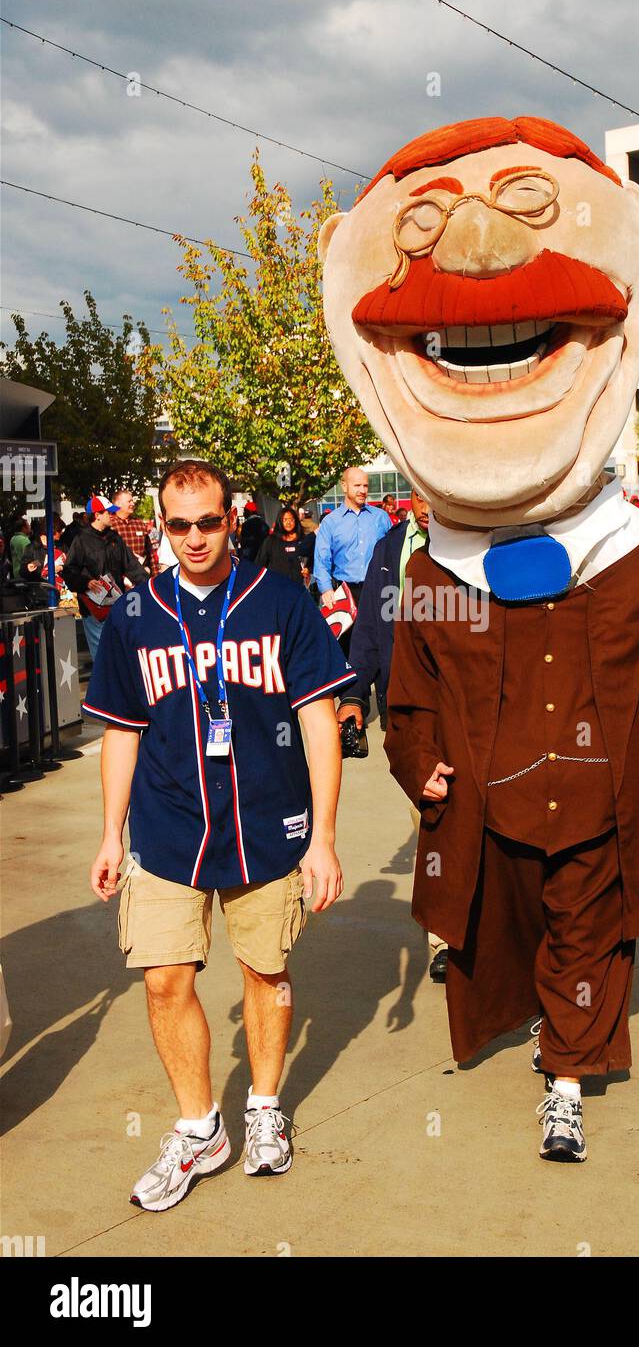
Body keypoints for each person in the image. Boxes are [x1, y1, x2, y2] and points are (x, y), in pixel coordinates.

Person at [320, 112, 639, 1163]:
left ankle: (568, 1075)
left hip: (598, 790)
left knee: (588, 929)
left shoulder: (638, 553)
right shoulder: (432, 568)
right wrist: (422, 765)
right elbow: (410, 691)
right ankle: (550, 1024)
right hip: (492, 796)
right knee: (508, 926)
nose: (477, 245)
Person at [83, 458, 355, 1213]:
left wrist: (324, 836)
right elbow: (119, 733)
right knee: (165, 977)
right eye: (179, 525)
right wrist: (110, 833)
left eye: (209, 522)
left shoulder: (282, 603)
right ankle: (200, 1128)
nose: (195, 538)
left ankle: (264, 1109)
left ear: (232, 519)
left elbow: (318, 721)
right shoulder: (136, 616)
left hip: (268, 823)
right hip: (168, 826)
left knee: (265, 973)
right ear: (161, 529)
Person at [336, 489, 449, 982]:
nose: (427, 505)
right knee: (431, 821)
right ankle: (446, 937)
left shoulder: (475, 544)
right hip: (406, 710)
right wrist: (355, 696)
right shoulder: (389, 548)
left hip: (464, 705)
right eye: (419, 495)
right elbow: (369, 628)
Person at [63, 496, 149, 658]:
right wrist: (86, 582)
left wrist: (149, 586)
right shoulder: (81, 539)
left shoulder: (115, 538)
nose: (112, 515)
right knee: (102, 655)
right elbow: (69, 571)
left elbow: (132, 567)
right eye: (108, 512)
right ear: (97, 515)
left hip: (117, 605)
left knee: (120, 651)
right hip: (94, 609)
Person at [313, 468, 391, 611]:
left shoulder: (381, 517)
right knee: (350, 635)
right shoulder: (330, 522)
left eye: (365, 486)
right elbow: (321, 561)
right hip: (344, 594)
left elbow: (392, 553)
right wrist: (326, 589)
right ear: (344, 486)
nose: (362, 490)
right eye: (357, 485)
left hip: (378, 591)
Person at [256, 505, 314, 584]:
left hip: (298, 585)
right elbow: (260, 563)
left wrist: (308, 569)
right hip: (276, 585)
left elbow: (312, 558)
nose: (288, 523)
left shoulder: (303, 540)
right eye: (285, 520)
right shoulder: (271, 541)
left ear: (296, 521)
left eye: (291, 519)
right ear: (280, 521)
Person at [112, 488, 160, 575]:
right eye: (129, 501)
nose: (133, 503)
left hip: (141, 575)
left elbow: (150, 552)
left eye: (132, 501)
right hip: (119, 578)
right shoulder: (111, 525)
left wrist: (155, 575)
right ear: (118, 504)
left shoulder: (139, 523)